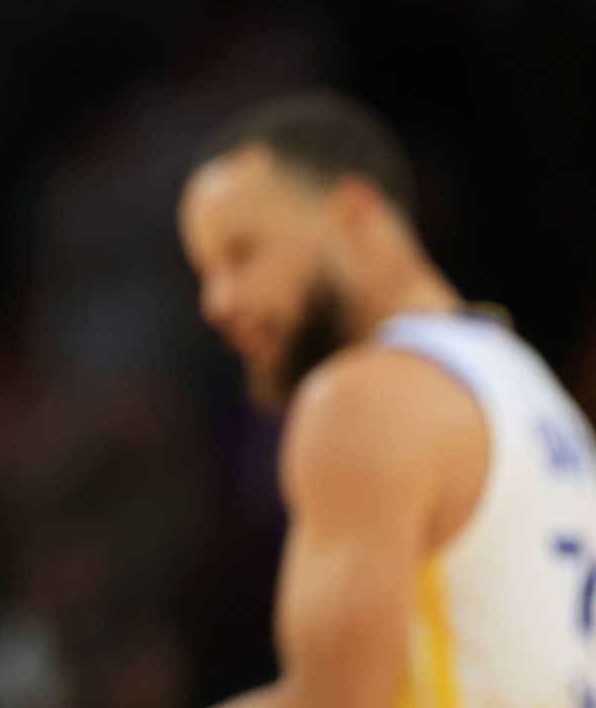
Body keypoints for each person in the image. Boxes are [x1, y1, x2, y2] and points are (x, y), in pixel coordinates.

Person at [177, 90, 596, 707]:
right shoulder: (526, 382)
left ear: (355, 215)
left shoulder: (362, 400)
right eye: (205, 272)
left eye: (242, 254)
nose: (217, 303)